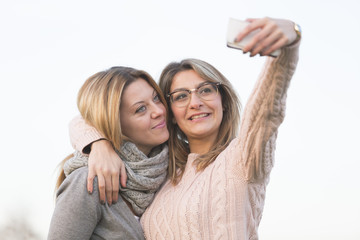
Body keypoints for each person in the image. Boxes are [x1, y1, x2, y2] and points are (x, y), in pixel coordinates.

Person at [68, 17, 301, 239]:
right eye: (181, 96)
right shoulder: (162, 173)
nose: (195, 102)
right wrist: (98, 145)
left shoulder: (243, 158)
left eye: (206, 90)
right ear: (169, 112)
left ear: (223, 100)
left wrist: (291, 39)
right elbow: (82, 120)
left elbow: (266, 111)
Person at [48, 66, 169, 240]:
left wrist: (98, 143)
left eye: (156, 98)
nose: (159, 111)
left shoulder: (171, 169)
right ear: (115, 123)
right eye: (141, 109)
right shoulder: (87, 182)